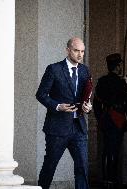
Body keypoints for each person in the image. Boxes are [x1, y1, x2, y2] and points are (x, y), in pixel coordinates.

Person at [36, 37, 92, 189]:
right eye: (76, 51)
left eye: (82, 51)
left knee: (82, 167)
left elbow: (85, 96)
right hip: (57, 128)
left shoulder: (85, 70)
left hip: (78, 127)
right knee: (50, 166)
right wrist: (57, 106)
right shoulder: (54, 69)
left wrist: (88, 106)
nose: (80, 55)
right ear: (67, 50)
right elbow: (41, 94)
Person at [93, 53, 127, 189]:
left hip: (105, 119)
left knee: (106, 150)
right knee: (114, 151)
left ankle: (106, 179)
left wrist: (100, 118)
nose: (121, 67)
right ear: (117, 66)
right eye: (120, 65)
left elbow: (96, 103)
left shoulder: (102, 81)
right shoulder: (121, 82)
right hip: (116, 119)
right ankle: (112, 179)